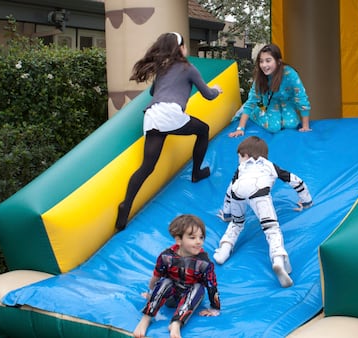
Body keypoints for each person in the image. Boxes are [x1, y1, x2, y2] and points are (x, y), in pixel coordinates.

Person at [116, 32, 223, 231]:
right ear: (180, 48)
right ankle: (197, 172)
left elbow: (152, 93)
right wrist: (217, 89)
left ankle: (126, 205)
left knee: (147, 167)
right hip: (170, 113)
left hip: (152, 115)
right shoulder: (188, 67)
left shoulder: (162, 69)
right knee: (203, 129)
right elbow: (208, 95)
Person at [213, 136, 313, 287]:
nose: (239, 160)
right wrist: (306, 201)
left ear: (246, 156)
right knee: (271, 229)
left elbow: (229, 191)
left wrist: (227, 214)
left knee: (236, 223)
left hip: (237, 192)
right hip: (259, 194)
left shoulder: (241, 168)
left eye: (239, 157)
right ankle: (278, 260)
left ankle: (223, 251)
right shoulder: (270, 165)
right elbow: (295, 180)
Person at [133, 214, 220, 338]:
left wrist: (214, 308)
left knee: (198, 287)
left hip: (191, 296)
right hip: (171, 295)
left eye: (201, 237)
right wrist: (151, 294)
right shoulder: (166, 257)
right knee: (166, 281)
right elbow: (156, 277)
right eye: (192, 237)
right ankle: (146, 318)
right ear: (179, 240)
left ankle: (176, 322)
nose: (198, 241)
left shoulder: (204, 263)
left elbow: (212, 286)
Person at [228, 44, 311, 137]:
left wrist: (305, 126)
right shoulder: (260, 76)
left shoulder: (290, 74)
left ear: (278, 61)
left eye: (268, 61)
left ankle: (267, 111)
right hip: (267, 103)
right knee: (274, 127)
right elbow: (252, 100)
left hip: (287, 103)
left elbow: (301, 97)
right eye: (261, 61)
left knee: (291, 124)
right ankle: (254, 111)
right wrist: (240, 128)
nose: (264, 65)